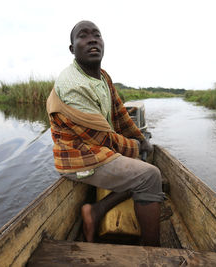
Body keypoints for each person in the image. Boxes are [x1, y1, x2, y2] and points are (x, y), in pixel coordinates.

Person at [46, 20, 164, 246]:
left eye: (96, 35)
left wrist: (139, 139)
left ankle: (96, 210)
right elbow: (103, 139)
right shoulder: (73, 86)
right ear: (72, 49)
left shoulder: (102, 76)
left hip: (97, 151)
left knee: (140, 158)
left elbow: (120, 115)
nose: (92, 39)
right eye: (83, 35)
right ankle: (153, 252)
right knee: (151, 176)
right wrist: (138, 147)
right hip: (80, 159)